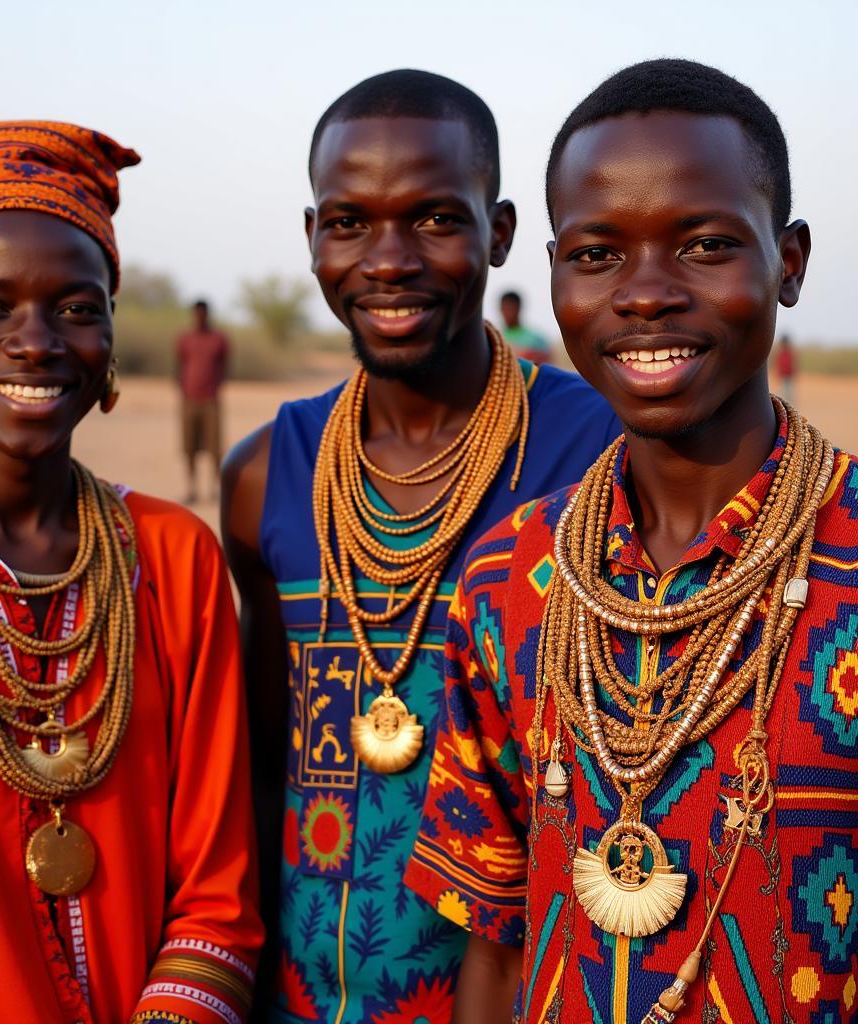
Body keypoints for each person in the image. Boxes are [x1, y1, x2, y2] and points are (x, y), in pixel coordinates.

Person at [406, 59, 857, 1024]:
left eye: (703, 245)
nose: (645, 294)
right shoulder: (507, 578)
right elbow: (492, 936)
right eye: (598, 253)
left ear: (790, 263)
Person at [0, 122, 261, 1024]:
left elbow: (219, 900)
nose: (35, 342)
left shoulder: (172, 557)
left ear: (108, 331)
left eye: (75, 307)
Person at [221, 69, 620, 1023]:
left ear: (502, 232)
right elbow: (261, 771)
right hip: (302, 997)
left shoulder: (600, 453)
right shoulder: (265, 475)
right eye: (349, 222)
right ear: (312, 236)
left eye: (436, 219)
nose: (387, 259)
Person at [176, 299, 229, 504]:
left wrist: (216, 388)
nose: (199, 317)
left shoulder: (219, 339)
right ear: (193, 314)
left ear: (207, 314)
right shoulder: (185, 339)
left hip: (211, 401)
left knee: (215, 447)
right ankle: (192, 489)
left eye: (202, 313)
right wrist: (183, 390)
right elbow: (179, 365)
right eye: (196, 313)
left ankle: (214, 490)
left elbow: (224, 366)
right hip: (189, 400)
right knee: (189, 447)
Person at [499, 290, 550, 364]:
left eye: (511, 308)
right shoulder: (497, 338)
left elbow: (546, 361)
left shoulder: (536, 339)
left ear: (519, 308)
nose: (507, 313)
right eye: (505, 308)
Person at [776, 333, 796, 404]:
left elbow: (792, 364)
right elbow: (779, 364)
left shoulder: (789, 352)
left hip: (788, 375)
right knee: (785, 392)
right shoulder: (781, 352)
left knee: (788, 393)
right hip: (784, 375)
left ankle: (788, 405)